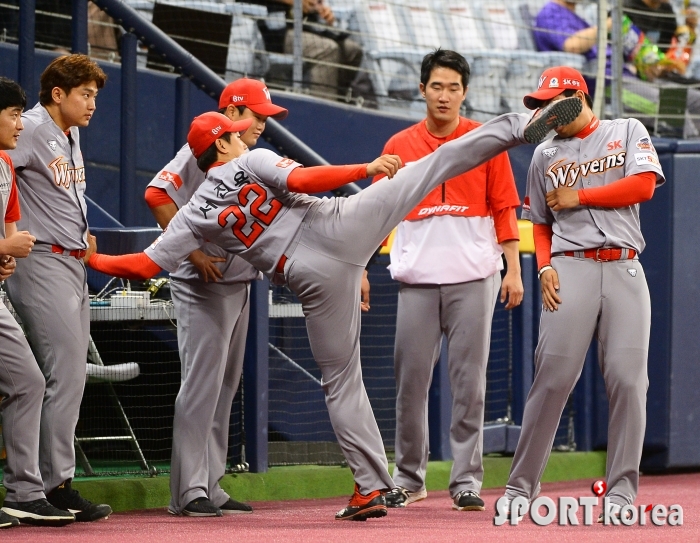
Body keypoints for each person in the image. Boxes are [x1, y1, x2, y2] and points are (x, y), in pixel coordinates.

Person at [85, 97, 583, 520]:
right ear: (220, 145)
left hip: (305, 275)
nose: (244, 136)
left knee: (340, 380)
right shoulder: (249, 161)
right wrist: (363, 171)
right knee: (435, 165)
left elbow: (141, 266)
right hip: (340, 225)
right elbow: (304, 181)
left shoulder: (192, 216)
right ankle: (520, 128)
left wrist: (91, 257)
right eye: (234, 134)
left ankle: (369, 485)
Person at [496, 66, 663, 523]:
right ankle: (520, 486)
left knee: (630, 382)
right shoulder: (544, 156)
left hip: (625, 264)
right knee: (551, 381)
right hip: (570, 268)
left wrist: (583, 198)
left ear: (577, 96)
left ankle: (621, 493)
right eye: (541, 106)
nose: (547, 112)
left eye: (554, 103)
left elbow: (644, 186)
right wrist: (545, 265)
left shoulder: (626, 129)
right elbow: (540, 222)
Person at [371, 49, 524, 512]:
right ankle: (410, 478)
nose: (444, 95)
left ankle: (466, 482)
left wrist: (514, 270)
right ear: (422, 90)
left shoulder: (484, 142)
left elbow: (504, 207)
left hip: (475, 278)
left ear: (465, 92)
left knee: (469, 383)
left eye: (453, 87)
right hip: (416, 282)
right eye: (436, 86)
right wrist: (359, 266)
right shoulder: (398, 143)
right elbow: (377, 213)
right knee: (410, 383)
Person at [144, 78, 288, 517]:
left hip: (238, 283)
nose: (262, 124)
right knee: (201, 386)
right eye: (255, 115)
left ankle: (211, 481)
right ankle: (187, 491)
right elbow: (156, 194)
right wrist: (191, 251)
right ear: (231, 114)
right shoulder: (200, 148)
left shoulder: (248, 157)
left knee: (225, 387)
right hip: (202, 285)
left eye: (264, 117)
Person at [4, 54, 111, 522]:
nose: (92, 103)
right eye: (85, 94)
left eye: (94, 95)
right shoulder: (26, 127)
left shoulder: (72, 134)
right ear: (58, 94)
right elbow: (2, 168)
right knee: (61, 373)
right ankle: (44, 485)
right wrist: (8, 235)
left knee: (68, 375)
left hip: (70, 259)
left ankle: (52, 482)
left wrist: (81, 229)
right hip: (40, 257)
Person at [0, 78, 75, 529]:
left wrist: (6, 253)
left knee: (27, 381)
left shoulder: (6, 165)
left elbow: (9, 227)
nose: (18, 123)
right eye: (11, 114)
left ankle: (24, 494)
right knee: (27, 380)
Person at [533, 0, 700, 137]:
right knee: (674, 109)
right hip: (606, 86)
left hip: (628, 77)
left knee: (694, 100)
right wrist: (609, 24)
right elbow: (572, 45)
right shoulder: (550, 12)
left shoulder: (577, 14)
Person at [251, 0, 363, 100]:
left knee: (352, 51)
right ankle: (324, 111)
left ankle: (340, 105)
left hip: (307, 27)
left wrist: (322, 9)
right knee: (327, 49)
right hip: (274, 32)